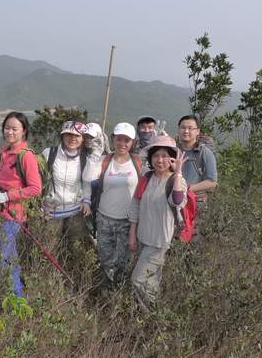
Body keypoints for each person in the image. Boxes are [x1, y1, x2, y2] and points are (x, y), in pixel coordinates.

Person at [0, 112, 42, 297]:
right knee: (9, 256)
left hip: (13, 216)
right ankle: (17, 296)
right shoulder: (5, 152)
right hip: (0, 213)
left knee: (0, 257)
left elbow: (35, 188)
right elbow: (4, 178)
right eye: (7, 128)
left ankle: (10, 298)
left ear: (24, 131)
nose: (9, 132)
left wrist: (7, 196)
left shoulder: (26, 156)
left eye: (14, 129)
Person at [128, 135, 187, 310]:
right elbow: (135, 205)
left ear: (172, 158)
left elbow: (177, 201)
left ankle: (149, 315)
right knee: (150, 282)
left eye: (164, 155)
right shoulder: (146, 178)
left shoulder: (176, 181)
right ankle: (150, 317)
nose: (160, 160)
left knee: (137, 280)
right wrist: (132, 234)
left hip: (160, 241)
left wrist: (177, 173)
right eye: (155, 155)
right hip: (143, 238)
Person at [94, 123, 142, 285]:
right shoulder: (104, 161)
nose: (122, 144)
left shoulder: (138, 163)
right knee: (105, 259)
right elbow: (88, 178)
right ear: (113, 139)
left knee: (122, 261)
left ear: (133, 142)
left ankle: (118, 292)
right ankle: (106, 292)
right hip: (104, 218)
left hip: (127, 221)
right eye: (119, 139)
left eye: (127, 140)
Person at [41, 121, 93, 258]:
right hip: (51, 211)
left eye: (77, 136)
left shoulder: (85, 158)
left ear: (83, 139)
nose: (73, 138)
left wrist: (87, 201)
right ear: (62, 136)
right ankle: (49, 278)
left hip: (75, 210)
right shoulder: (49, 154)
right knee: (48, 251)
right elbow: (39, 179)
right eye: (68, 134)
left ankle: (78, 277)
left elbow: (87, 181)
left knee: (77, 250)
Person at [176, 115, 218, 213]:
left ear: (197, 131)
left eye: (190, 128)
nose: (186, 131)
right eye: (183, 127)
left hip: (195, 202)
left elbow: (212, 182)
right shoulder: (174, 150)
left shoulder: (204, 152)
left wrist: (186, 189)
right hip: (174, 200)